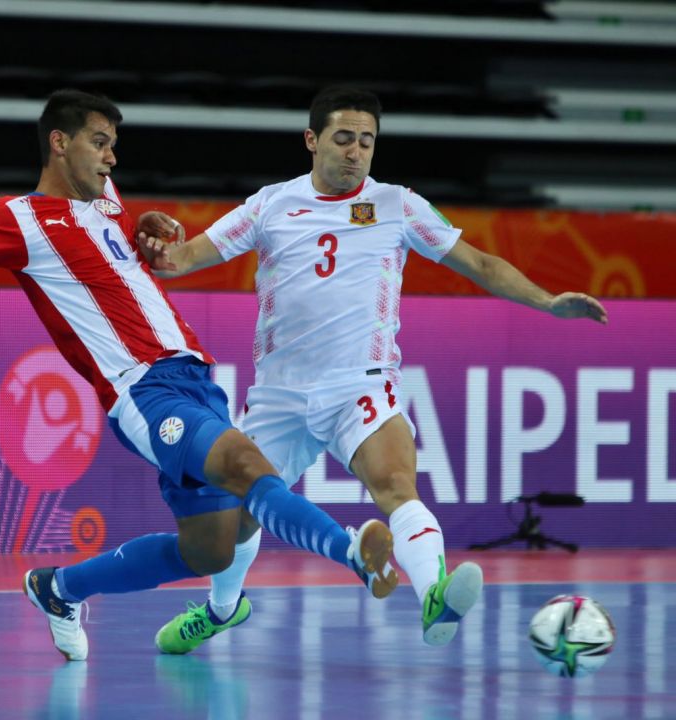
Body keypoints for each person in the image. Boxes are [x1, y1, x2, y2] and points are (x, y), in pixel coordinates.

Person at [0, 89, 400, 662]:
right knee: (245, 464)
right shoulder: (15, 219)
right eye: (99, 142)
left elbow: (127, 259)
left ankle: (57, 589)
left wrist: (149, 229)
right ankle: (351, 553)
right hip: (142, 391)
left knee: (211, 551)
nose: (111, 157)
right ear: (59, 144)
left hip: (196, 377)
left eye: (114, 145)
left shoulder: (107, 202)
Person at [142, 86, 608, 653]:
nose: (355, 152)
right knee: (234, 519)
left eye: (366, 141)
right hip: (280, 396)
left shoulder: (398, 204)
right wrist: (161, 254)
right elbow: (187, 256)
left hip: (359, 386)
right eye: (343, 139)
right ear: (312, 141)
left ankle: (434, 592)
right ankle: (222, 609)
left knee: (394, 484)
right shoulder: (269, 204)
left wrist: (548, 301)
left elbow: (480, 263)